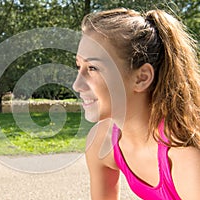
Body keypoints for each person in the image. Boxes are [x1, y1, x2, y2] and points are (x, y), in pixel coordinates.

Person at [72, 8, 200, 200]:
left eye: (93, 68)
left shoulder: (184, 157)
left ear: (141, 78)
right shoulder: (101, 142)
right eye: (79, 66)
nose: (77, 84)